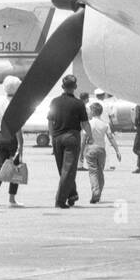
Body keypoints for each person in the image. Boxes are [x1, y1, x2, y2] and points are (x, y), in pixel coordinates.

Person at [47, 74, 89, 209]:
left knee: (63, 170)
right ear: (75, 87)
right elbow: (85, 123)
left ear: (62, 87)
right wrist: (91, 136)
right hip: (71, 137)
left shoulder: (54, 101)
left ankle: (72, 194)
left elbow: (49, 120)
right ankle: (60, 200)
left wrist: (52, 135)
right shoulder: (79, 103)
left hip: (57, 138)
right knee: (68, 170)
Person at [0, 76, 25, 209]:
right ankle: (12, 199)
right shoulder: (17, 104)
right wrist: (21, 143)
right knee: (15, 167)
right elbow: (17, 126)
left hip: (0, 136)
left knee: (0, 168)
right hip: (13, 137)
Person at [83, 101, 121, 204]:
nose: (88, 113)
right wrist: (117, 150)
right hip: (101, 150)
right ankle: (98, 194)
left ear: (93, 112)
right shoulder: (105, 124)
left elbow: (84, 138)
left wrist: (81, 153)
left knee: (93, 172)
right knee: (100, 173)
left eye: (89, 111)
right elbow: (111, 138)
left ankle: (95, 191)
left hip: (90, 149)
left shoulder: (89, 124)